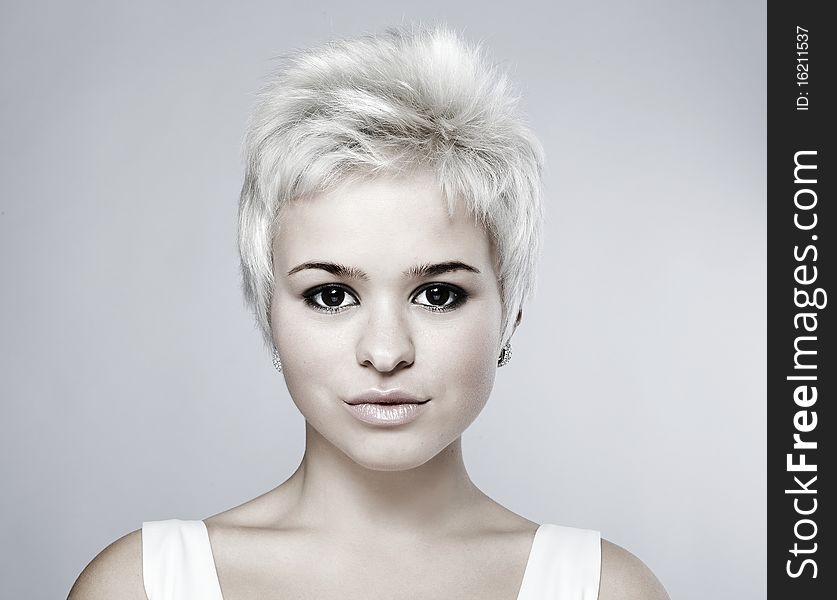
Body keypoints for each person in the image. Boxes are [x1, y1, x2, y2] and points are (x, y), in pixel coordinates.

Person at [69, 24, 669, 600]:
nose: (385, 352)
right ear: (267, 312)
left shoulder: (604, 590)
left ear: (512, 313)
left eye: (438, 294)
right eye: (331, 296)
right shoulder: (144, 586)